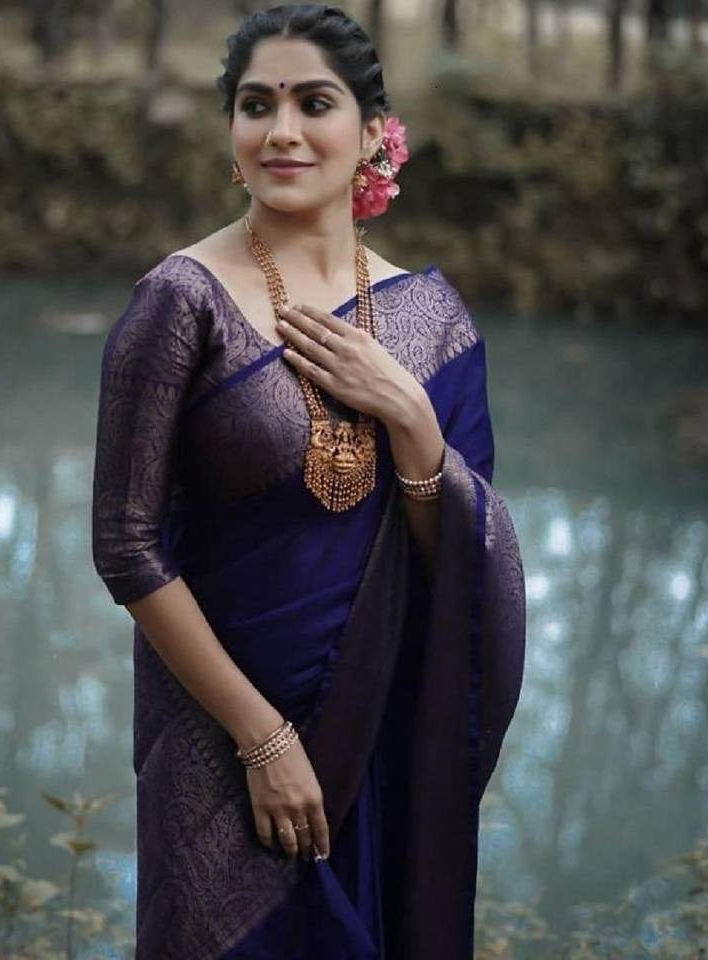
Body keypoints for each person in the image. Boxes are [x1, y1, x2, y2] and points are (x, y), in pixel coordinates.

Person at [90, 4, 526, 958]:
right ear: (232, 133)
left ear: (374, 134)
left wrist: (410, 421)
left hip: (380, 726)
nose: (280, 130)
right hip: (218, 737)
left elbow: (458, 565)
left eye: (313, 103)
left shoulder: (435, 321)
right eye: (256, 105)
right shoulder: (181, 301)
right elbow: (125, 545)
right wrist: (263, 739)